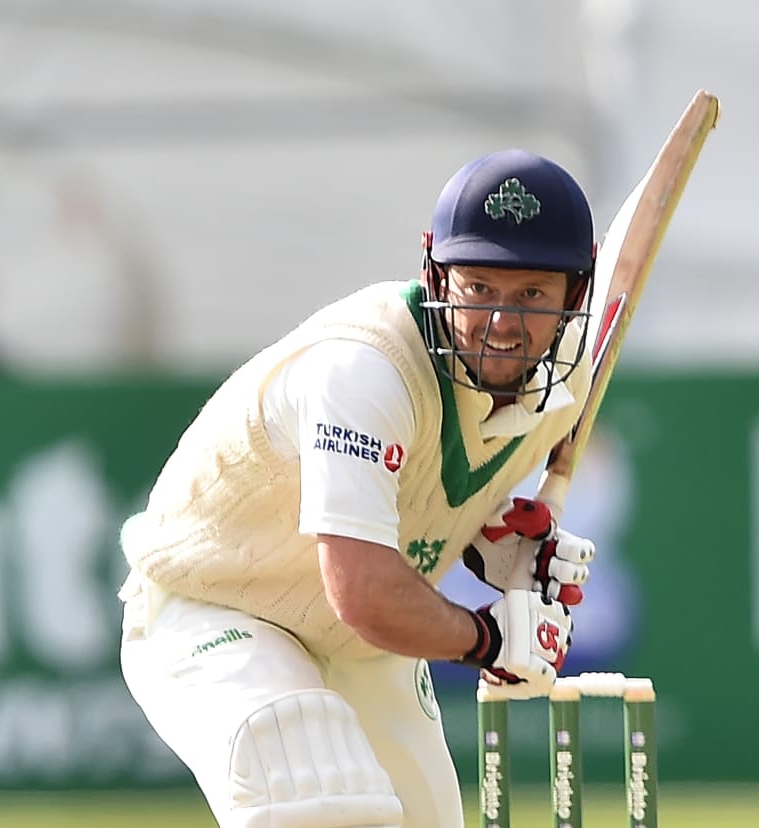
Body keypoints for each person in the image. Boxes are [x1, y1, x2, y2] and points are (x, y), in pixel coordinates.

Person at [118, 149, 603, 828]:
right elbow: (366, 588)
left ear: (572, 297)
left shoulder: (562, 387)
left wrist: (489, 546)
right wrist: (489, 640)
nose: (501, 322)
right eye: (480, 289)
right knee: (322, 803)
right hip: (214, 604)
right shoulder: (363, 372)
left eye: (530, 295)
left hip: (359, 645)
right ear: (436, 274)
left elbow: (424, 493)